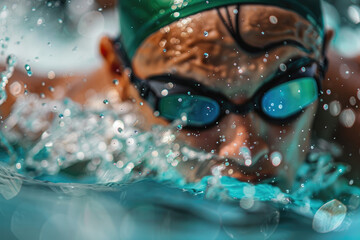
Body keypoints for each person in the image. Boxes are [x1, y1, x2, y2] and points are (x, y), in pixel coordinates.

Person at [1, 0, 357, 190]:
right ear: (120, 75)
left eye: (284, 97)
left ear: (322, 57)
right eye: (192, 106)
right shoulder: (52, 122)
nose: (246, 150)